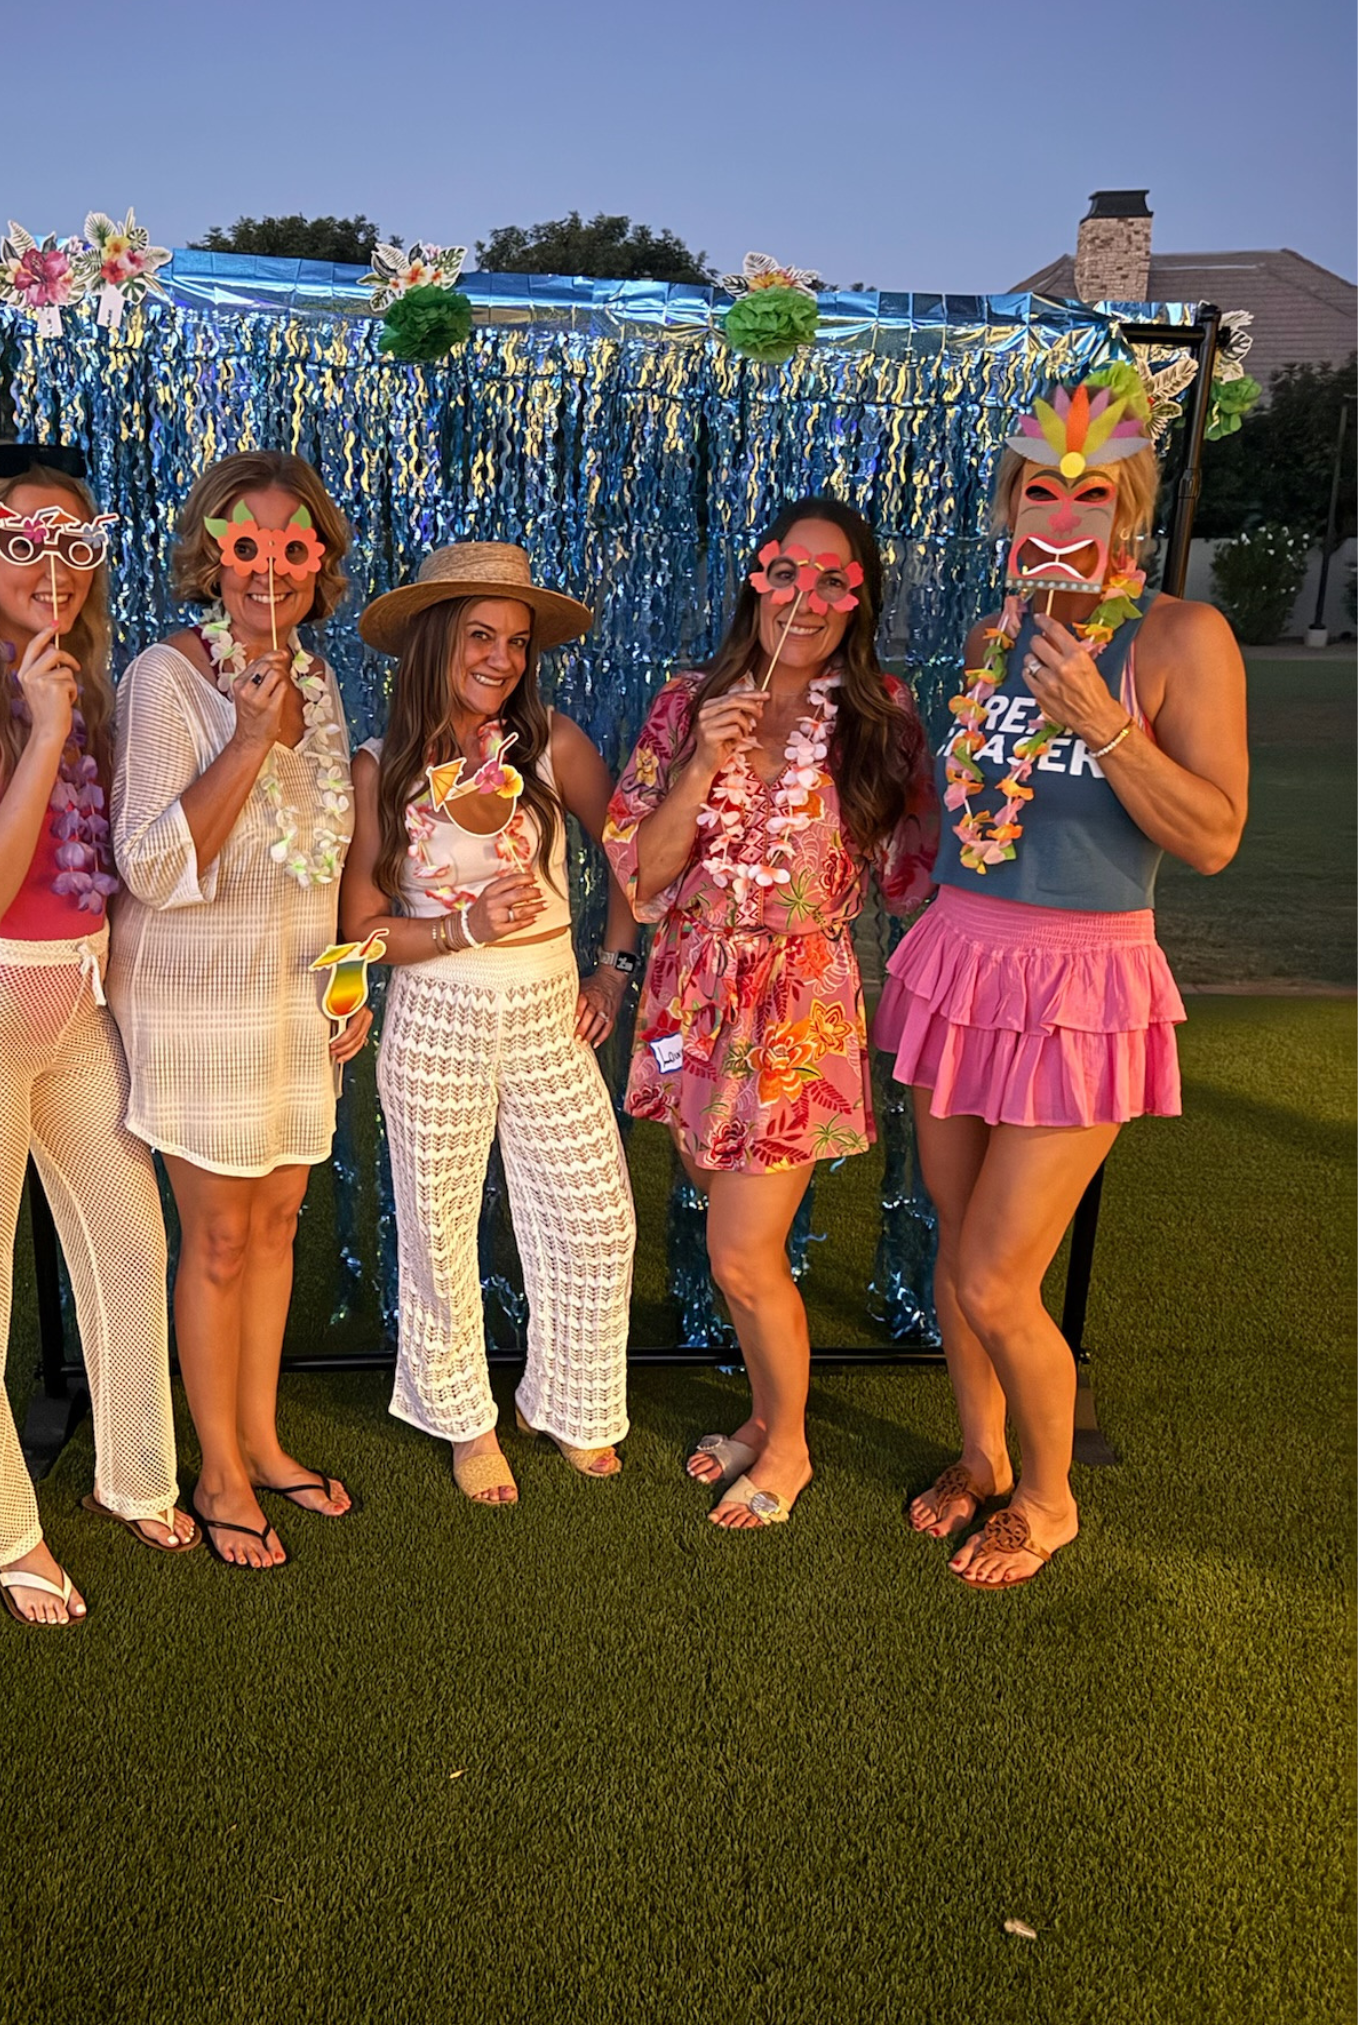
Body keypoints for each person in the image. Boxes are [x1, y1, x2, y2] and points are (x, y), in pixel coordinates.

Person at [875, 370, 1249, 1587]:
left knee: (997, 1273)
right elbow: (986, 815)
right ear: (1012, 508)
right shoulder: (999, 634)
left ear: (1130, 516)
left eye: (1094, 493)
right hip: (960, 957)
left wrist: (1106, 722)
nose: (1067, 512)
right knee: (952, 1248)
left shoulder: (1179, 637)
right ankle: (980, 1455)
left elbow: (1211, 837)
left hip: (1080, 986)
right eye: (1044, 488)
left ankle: (1051, 1495)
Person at [0, 443, 195, 1629]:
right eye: (24, 541)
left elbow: (109, 882)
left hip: (80, 1006)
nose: (51, 565)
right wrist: (44, 718)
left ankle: (134, 1475)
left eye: (75, 543)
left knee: (128, 1251)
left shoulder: (100, 690)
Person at [605, 497, 935, 1529]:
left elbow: (913, 871)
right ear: (758, 577)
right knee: (713, 1204)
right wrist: (702, 758)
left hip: (796, 1004)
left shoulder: (881, 710)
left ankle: (786, 1445)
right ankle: (760, 1412)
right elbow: (643, 870)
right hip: (689, 997)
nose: (808, 599)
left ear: (858, 598)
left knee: (744, 1252)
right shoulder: (683, 702)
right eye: (788, 573)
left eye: (836, 581)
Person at [106, 451, 371, 1571]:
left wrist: (348, 983)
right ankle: (214, 1468)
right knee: (216, 1238)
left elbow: (339, 859)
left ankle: (259, 1439)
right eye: (244, 543)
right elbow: (154, 866)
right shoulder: (165, 678)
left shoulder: (320, 680)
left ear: (322, 563)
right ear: (210, 557)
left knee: (276, 1227)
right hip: (196, 1002)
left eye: (293, 545)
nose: (269, 568)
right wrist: (250, 739)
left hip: (294, 1001)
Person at [339, 544, 638, 1504]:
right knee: (438, 1230)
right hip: (436, 1018)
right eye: (480, 634)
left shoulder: (551, 742)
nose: (502, 657)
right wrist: (461, 925)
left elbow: (630, 856)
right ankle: (465, 1421)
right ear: (435, 640)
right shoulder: (382, 764)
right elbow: (362, 932)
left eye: (516, 640)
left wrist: (613, 967)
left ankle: (570, 1401)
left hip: (551, 1011)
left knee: (596, 1218)